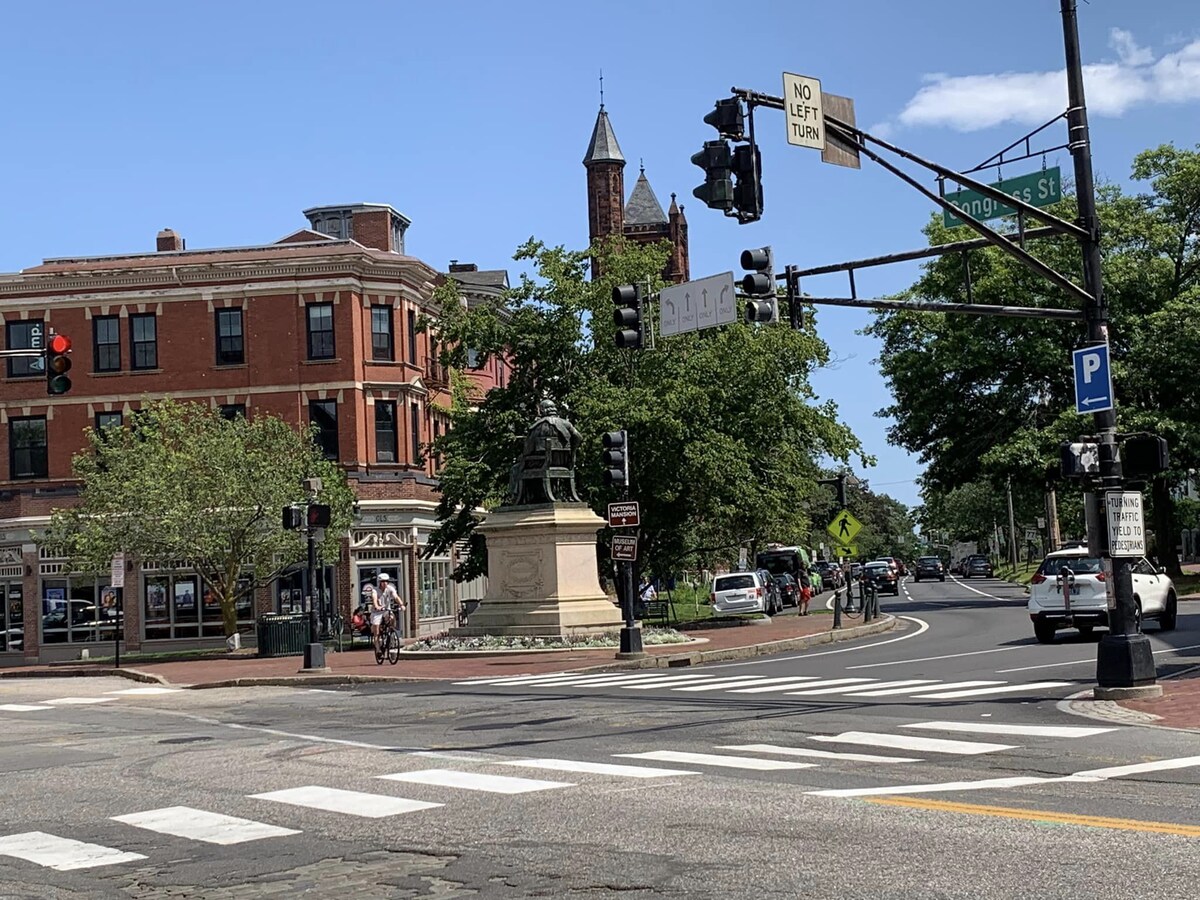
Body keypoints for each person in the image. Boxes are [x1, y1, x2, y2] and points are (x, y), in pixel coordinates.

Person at [376, 573, 404, 638]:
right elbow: (376, 600)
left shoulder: (390, 588)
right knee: (379, 626)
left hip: (387, 610)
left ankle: (391, 632)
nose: (385, 583)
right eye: (383, 581)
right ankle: (380, 636)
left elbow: (396, 597)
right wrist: (378, 606)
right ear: (379, 582)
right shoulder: (376, 590)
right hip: (378, 611)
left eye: (387, 581)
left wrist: (401, 604)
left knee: (392, 618)